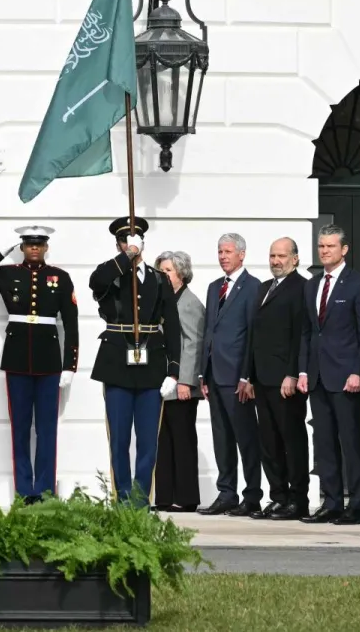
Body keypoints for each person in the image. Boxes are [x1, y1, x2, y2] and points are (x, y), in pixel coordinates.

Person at [0, 226, 78, 502]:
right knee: (19, 429)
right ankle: (24, 491)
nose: (34, 248)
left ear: (46, 247)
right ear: (21, 247)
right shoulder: (8, 274)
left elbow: (71, 324)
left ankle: (44, 491)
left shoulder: (61, 278)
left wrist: (70, 366)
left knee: (46, 430)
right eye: (29, 244)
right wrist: (0, 252)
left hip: (49, 363)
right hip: (18, 360)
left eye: (39, 244)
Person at [89, 217, 180, 503]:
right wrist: (125, 257)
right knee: (119, 439)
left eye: (135, 241)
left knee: (148, 441)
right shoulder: (110, 274)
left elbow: (173, 326)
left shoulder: (158, 278)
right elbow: (97, 282)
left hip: (152, 365)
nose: (132, 245)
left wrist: (173, 371)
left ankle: (141, 499)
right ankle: (123, 497)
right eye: (125, 241)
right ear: (118, 244)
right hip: (117, 364)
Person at [299, 225, 360, 525]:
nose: (325, 251)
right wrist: (303, 370)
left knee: (351, 443)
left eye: (331, 246)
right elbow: (307, 331)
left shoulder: (359, 285)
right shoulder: (312, 284)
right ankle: (331, 503)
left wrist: (359, 371)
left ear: (344, 249)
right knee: (324, 443)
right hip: (318, 376)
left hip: (346, 378)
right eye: (321, 246)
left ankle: (356, 506)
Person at [246, 238, 309, 521]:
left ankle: (298, 500)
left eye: (282, 256)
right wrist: (248, 376)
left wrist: (293, 373)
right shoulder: (262, 288)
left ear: (295, 258)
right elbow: (254, 335)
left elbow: (300, 334)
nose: (276, 261)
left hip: (285, 379)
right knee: (268, 442)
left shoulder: (302, 287)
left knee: (291, 440)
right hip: (262, 377)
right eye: (272, 255)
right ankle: (278, 497)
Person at [199, 233, 262, 517]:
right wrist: (203, 373)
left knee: (246, 438)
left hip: (238, 377)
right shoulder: (215, 288)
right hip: (214, 376)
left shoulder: (253, 287)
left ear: (242, 255)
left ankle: (252, 496)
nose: (223, 256)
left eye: (228, 251)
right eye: (220, 251)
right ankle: (227, 493)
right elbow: (208, 333)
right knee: (221, 438)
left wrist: (248, 375)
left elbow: (253, 335)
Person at [154, 250, 203, 513]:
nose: (164, 275)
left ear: (181, 273)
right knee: (164, 442)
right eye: (161, 271)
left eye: (168, 271)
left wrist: (186, 381)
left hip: (181, 387)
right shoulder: (165, 300)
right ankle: (164, 497)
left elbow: (193, 344)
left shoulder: (188, 302)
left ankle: (186, 498)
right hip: (165, 386)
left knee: (182, 442)